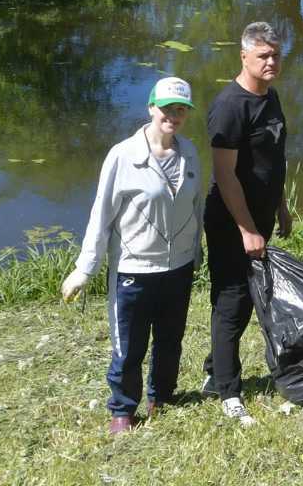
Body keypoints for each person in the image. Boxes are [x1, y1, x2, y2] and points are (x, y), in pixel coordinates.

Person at [60, 77, 202, 435]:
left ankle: (162, 397)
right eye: (167, 107)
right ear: (151, 107)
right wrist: (84, 269)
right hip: (134, 270)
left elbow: (196, 206)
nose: (174, 115)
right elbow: (101, 214)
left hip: (179, 267)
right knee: (129, 346)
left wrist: (196, 250)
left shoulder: (191, 153)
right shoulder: (122, 156)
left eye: (181, 108)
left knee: (171, 339)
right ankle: (123, 409)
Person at [200, 22, 290, 426]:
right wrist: (247, 229)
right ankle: (229, 392)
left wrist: (282, 206)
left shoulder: (271, 99)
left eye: (275, 54)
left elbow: (274, 159)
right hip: (229, 221)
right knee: (232, 301)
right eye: (263, 56)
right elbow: (226, 176)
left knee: (248, 299)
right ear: (244, 56)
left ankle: (213, 369)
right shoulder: (229, 106)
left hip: (261, 217)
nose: (271, 62)